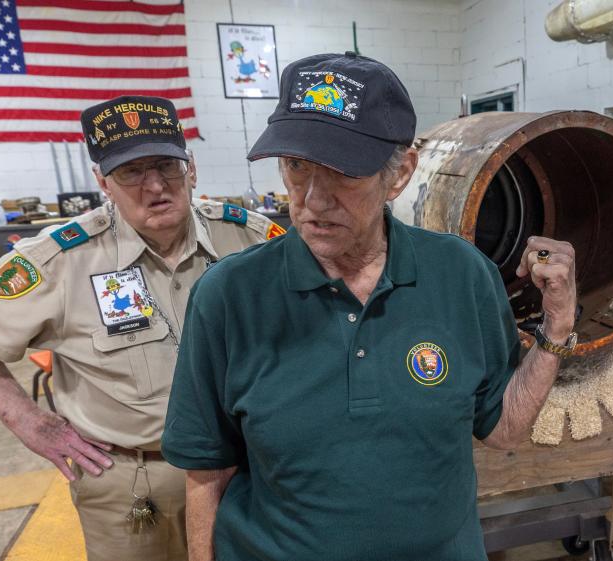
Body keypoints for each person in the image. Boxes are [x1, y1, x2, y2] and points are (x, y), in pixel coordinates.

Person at [160, 53, 578, 561]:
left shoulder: (463, 276)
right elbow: (207, 470)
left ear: (399, 173)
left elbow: (504, 428)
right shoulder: (229, 296)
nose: (312, 199)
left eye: (342, 172)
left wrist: (557, 324)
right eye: (295, 166)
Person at [0, 96, 282, 561]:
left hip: (244, 473)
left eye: (166, 166)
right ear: (102, 182)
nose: (155, 185)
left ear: (191, 168)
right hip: (132, 486)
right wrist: (27, 420)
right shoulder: (62, 260)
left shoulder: (250, 239)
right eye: (131, 172)